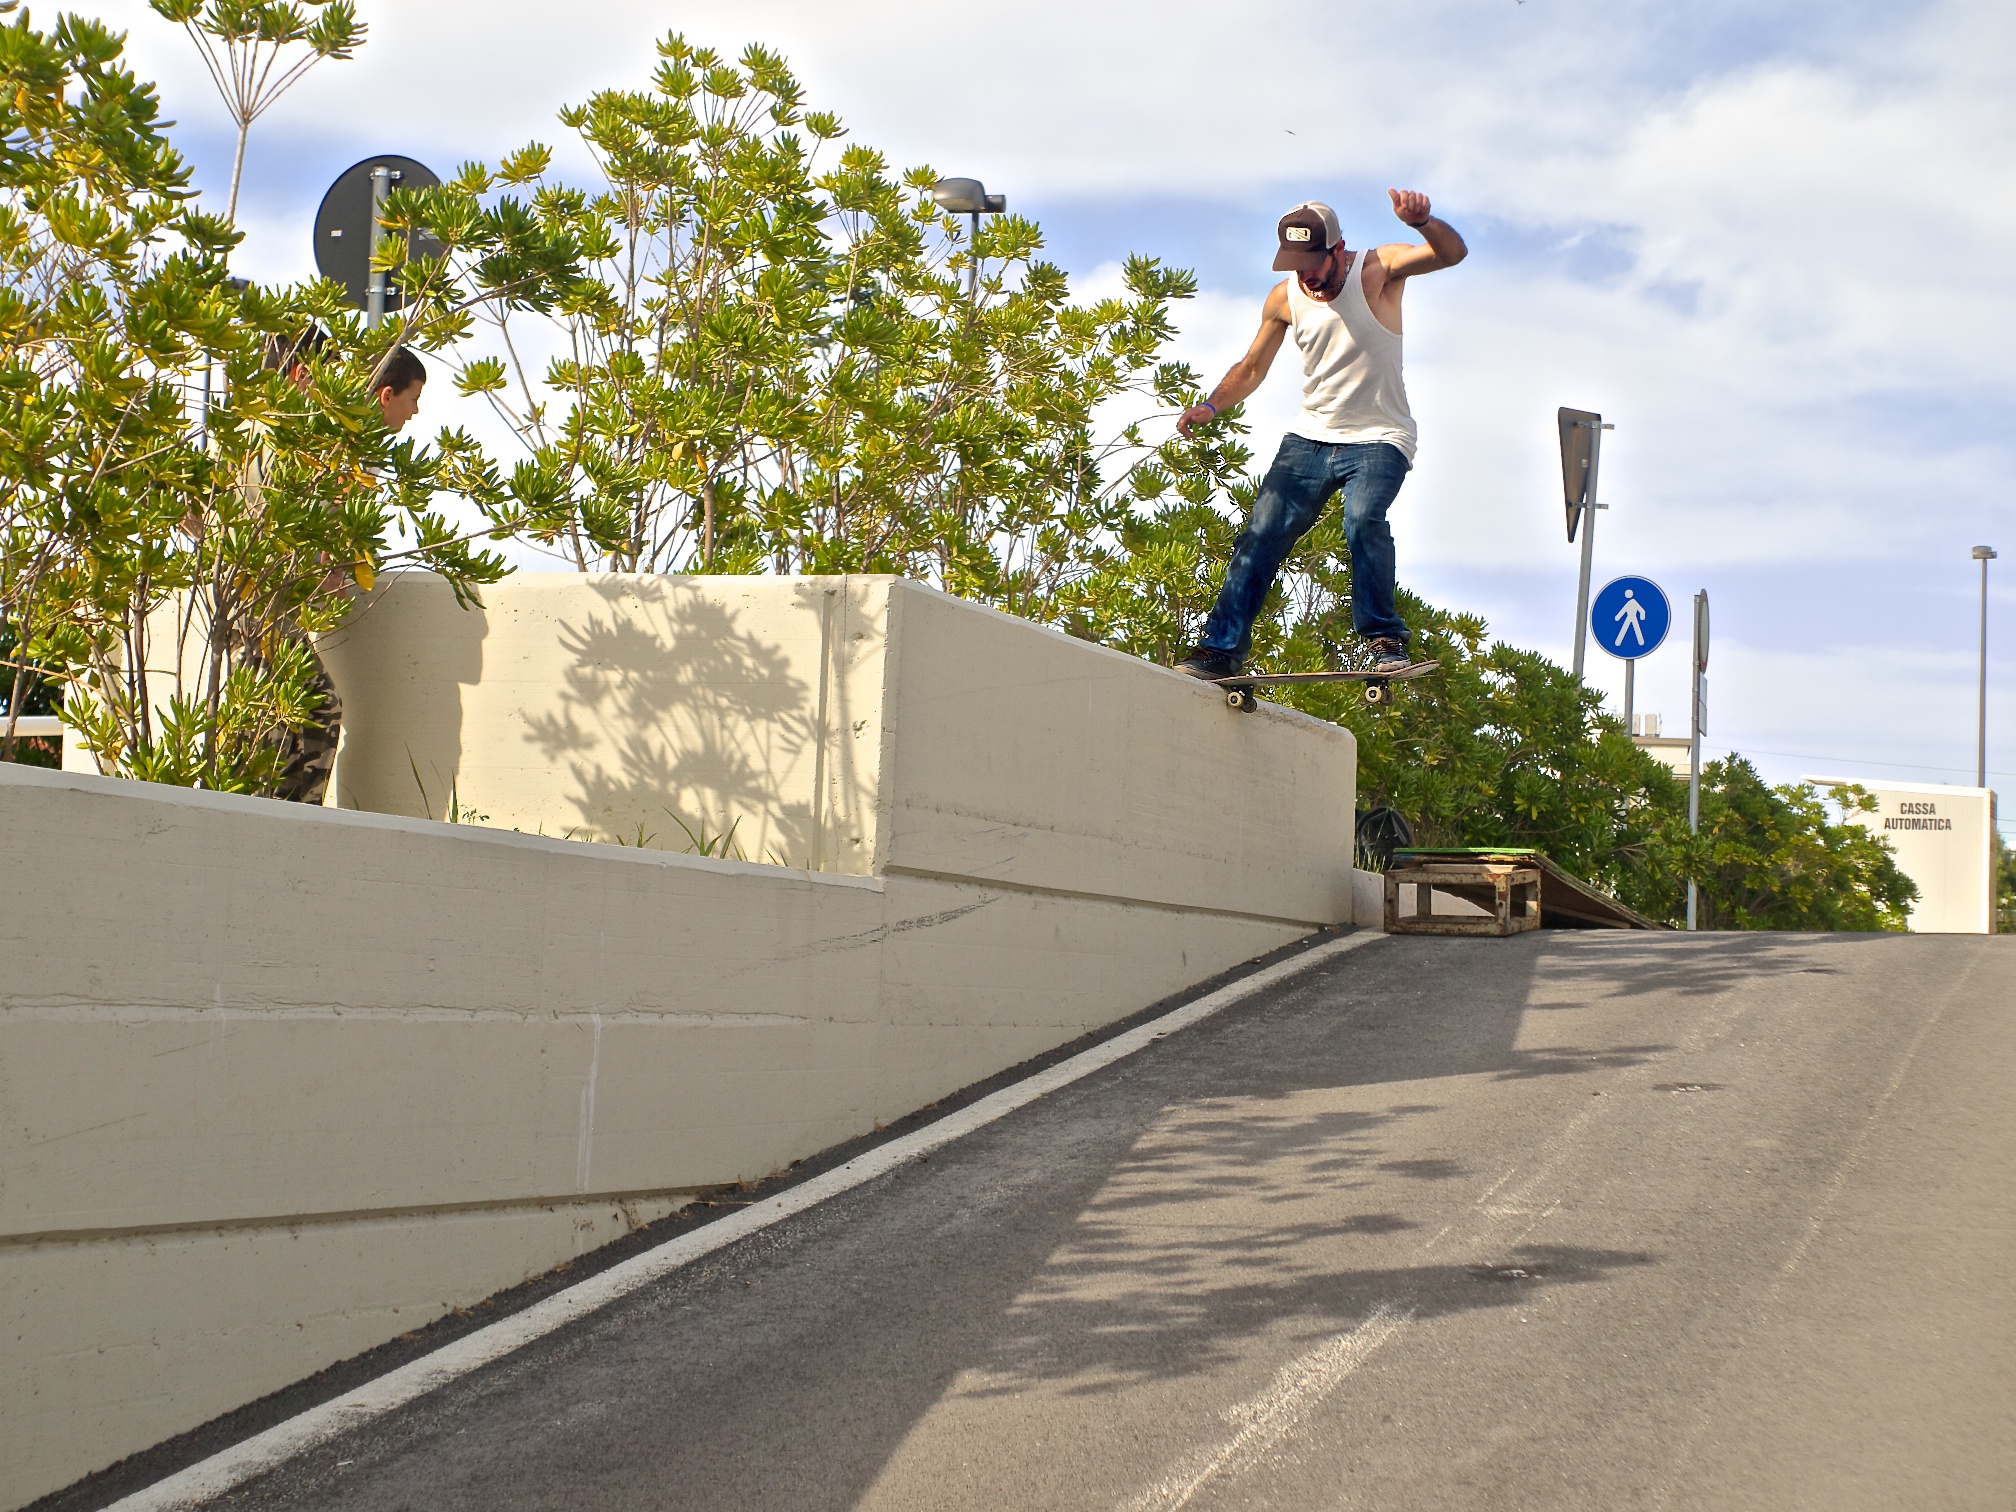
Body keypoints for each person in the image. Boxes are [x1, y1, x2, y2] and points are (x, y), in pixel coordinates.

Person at [1173, 191, 1466, 679]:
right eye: (1297, 264)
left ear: (1339, 249)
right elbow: (1250, 367)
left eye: (1315, 263)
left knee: (1362, 519)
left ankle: (1382, 640)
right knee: (1259, 537)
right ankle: (1220, 651)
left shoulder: (1381, 269)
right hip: (1309, 439)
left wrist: (1424, 222)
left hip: (1380, 436)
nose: (1307, 276)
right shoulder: (1284, 298)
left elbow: (1450, 254)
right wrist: (1210, 405)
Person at [264, 339, 427, 803]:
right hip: (266, 597)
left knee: (295, 716)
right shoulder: (327, 435)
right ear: (387, 395)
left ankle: (283, 817)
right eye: (412, 398)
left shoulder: (346, 441)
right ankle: (274, 818)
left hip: (282, 600)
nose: (413, 413)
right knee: (305, 711)